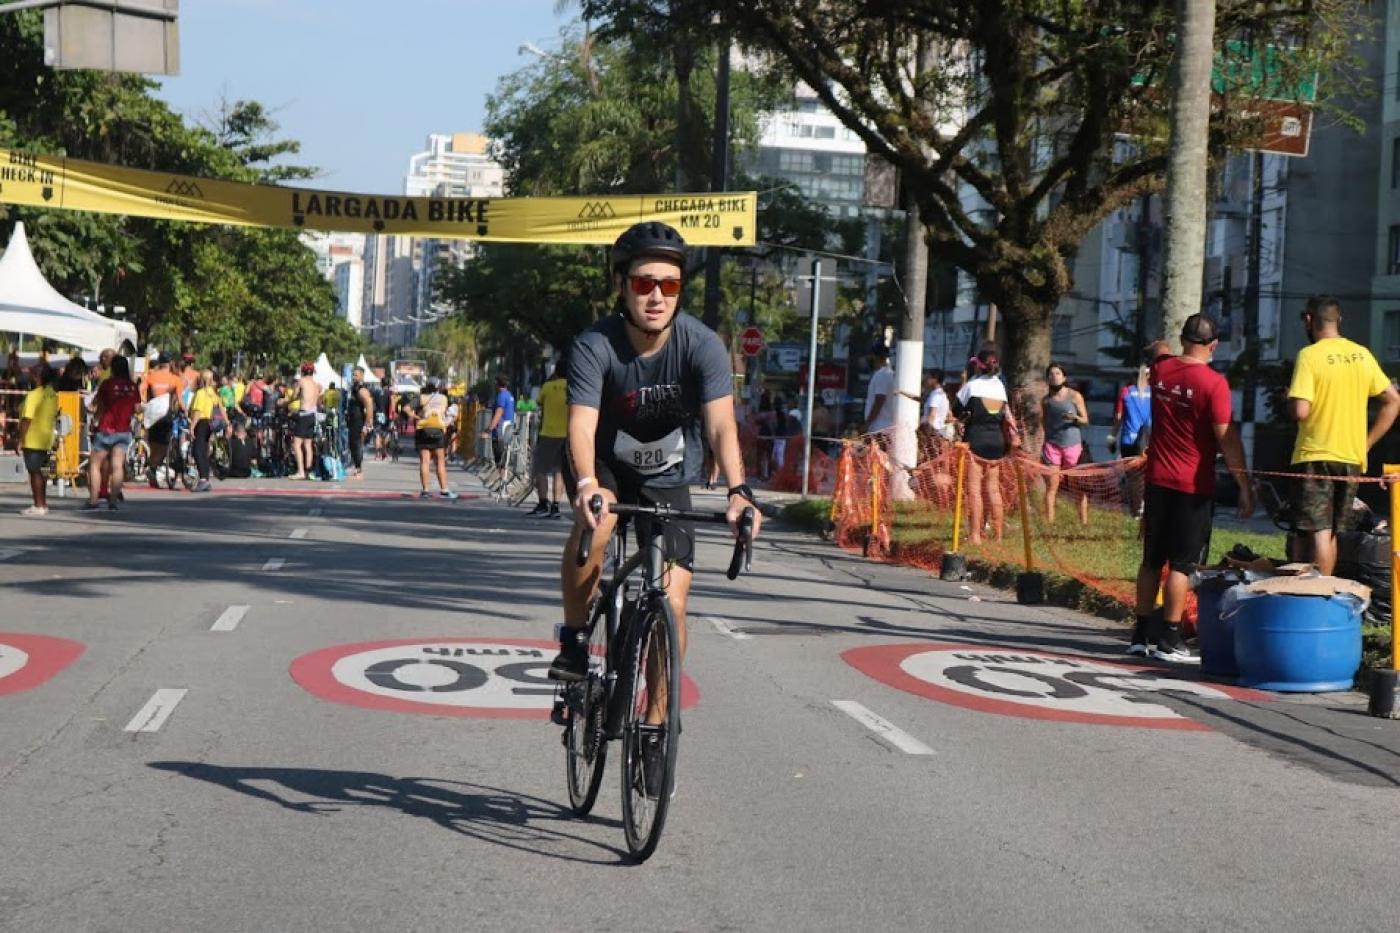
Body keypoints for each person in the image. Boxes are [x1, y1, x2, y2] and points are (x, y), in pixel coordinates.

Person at [547, 220, 763, 781]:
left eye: (670, 285)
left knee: (675, 599)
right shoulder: (596, 345)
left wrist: (739, 491)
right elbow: (580, 425)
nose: (657, 296)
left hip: (668, 475)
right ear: (621, 284)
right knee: (594, 530)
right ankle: (574, 640)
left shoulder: (703, 344)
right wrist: (588, 485)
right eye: (644, 283)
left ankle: (654, 722)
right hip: (608, 469)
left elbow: (720, 426)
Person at [1130, 314, 1253, 661]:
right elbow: (1226, 439)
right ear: (1213, 346)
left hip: (1157, 480)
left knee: (1151, 560)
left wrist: (1162, 350)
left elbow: (1157, 350)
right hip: (1192, 485)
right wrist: (1244, 484)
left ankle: (1140, 634)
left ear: (1183, 339)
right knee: (1182, 565)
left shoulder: (1162, 370)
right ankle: (1169, 638)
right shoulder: (1214, 384)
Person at [1286, 295, 1400, 575]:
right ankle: (1323, 594)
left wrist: (1288, 402)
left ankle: (1308, 595)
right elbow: (1393, 400)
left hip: (1315, 454)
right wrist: (1366, 444)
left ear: (1309, 320)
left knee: (1317, 531)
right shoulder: (1361, 354)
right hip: (1351, 457)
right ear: (1339, 320)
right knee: (1331, 532)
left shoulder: (1309, 355)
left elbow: (1301, 410)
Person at [955, 348, 1019, 544]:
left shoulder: (971, 386)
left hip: (976, 441)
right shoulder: (1000, 387)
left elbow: (957, 411)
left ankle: (975, 535)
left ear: (978, 365)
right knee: (993, 490)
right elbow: (1003, 414)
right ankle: (998, 536)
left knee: (974, 490)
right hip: (997, 443)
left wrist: (967, 415)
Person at [84, 355, 140, 511]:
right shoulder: (132, 386)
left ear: (113, 368)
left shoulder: (107, 384)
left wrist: (93, 415)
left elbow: (96, 405)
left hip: (106, 429)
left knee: (94, 464)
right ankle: (113, 502)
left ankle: (94, 501)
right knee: (117, 466)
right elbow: (137, 408)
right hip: (124, 430)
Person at [1041, 363, 1090, 526]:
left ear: (1064, 377)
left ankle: (1083, 522)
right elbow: (1043, 422)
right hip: (1052, 445)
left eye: (1058, 373)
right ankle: (1050, 524)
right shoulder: (1046, 400)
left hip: (1072, 445)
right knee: (1052, 486)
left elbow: (1086, 420)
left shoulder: (1075, 396)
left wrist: (1074, 418)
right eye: (1051, 374)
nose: (1054, 376)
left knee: (1077, 485)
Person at [1109, 355, 1154, 517]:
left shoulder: (1126, 392)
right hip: (1150, 441)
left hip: (1129, 440)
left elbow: (1119, 418)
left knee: (1133, 477)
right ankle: (1147, 508)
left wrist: (1112, 437)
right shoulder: (1155, 393)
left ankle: (1136, 510)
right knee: (1149, 475)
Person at [528, 356, 568, 518]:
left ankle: (543, 502)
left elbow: (539, 403)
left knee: (541, 470)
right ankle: (556, 505)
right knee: (560, 471)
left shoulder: (548, 386)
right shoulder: (573, 387)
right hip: (566, 435)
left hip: (548, 433)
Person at [18, 366, 58, 516]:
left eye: (32, 374)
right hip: (47, 438)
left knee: (34, 473)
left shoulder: (34, 395)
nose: (29, 377)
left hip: (33, 439)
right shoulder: (52, 394)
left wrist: (20, 439)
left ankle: (38, 505)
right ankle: (43, 503)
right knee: (43, 473)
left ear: (37, 377)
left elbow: (27, 419)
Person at [140, 353, 184, 487]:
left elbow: (141, 388)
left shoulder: (151, 376)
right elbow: (180, 401)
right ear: (170, 363)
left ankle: (151, 469)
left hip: (152, 413)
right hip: (165, 415)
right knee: (165, 446)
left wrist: (142, 402)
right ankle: (152, 468)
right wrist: (186, 411)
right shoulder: (175, 379)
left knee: (154, 445)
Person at [415, 381, 456, 499]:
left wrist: (417, 417)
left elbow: (407, 408)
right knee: (440, 461)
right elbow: (451, 410)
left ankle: (425, 491)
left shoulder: (421, 398)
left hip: (423, 429)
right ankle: (444, 490)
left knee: (425, 461)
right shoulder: (443, 398)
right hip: (438, 429)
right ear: (437, 388)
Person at [188, 369, 222, 493]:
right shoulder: (213, 394)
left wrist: (192, 426)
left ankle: (203, 479)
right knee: (204, 451)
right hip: (210, 423)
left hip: (201, 422)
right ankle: (205, 477)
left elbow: (197, 411)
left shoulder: (201, 393)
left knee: (197, 450)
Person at [291, 362, 321, 480]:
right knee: (308, 444)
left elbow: (294, 396)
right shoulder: (316, 384)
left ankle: (301, 471)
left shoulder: (301, 381)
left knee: (296, 444)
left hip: (303, 415)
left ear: (303, 372)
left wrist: (284, 401)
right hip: (312, 415)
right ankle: (309, 471)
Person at [479, 374, 515, 467]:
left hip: (500, 432)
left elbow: (498, 414)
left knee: (499, 462)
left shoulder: (501, 396)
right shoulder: (509, 395)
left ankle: (502, 479)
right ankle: (502, 479)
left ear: (497, 384)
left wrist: (488, 430)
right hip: (508, 430)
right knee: (504, 461)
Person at [861, 342, 896, 437]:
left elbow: (879, 400)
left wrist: (867, 424)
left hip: (880, 429)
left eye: (870, 356)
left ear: (875, 357)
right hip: (881, 428)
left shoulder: (882, 374)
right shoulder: (885, 373)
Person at [346, 366, 374, 479]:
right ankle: (356, 469)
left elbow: (369, 406)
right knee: (352, 445)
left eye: (356, 375)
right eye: (353, 375)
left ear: (362, 376)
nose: (353, 377)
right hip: (352, 421)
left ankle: (359, 471)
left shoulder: (362, 390)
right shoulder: (354, 388)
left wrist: (367, 424)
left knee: (357, 445)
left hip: (359, 421)